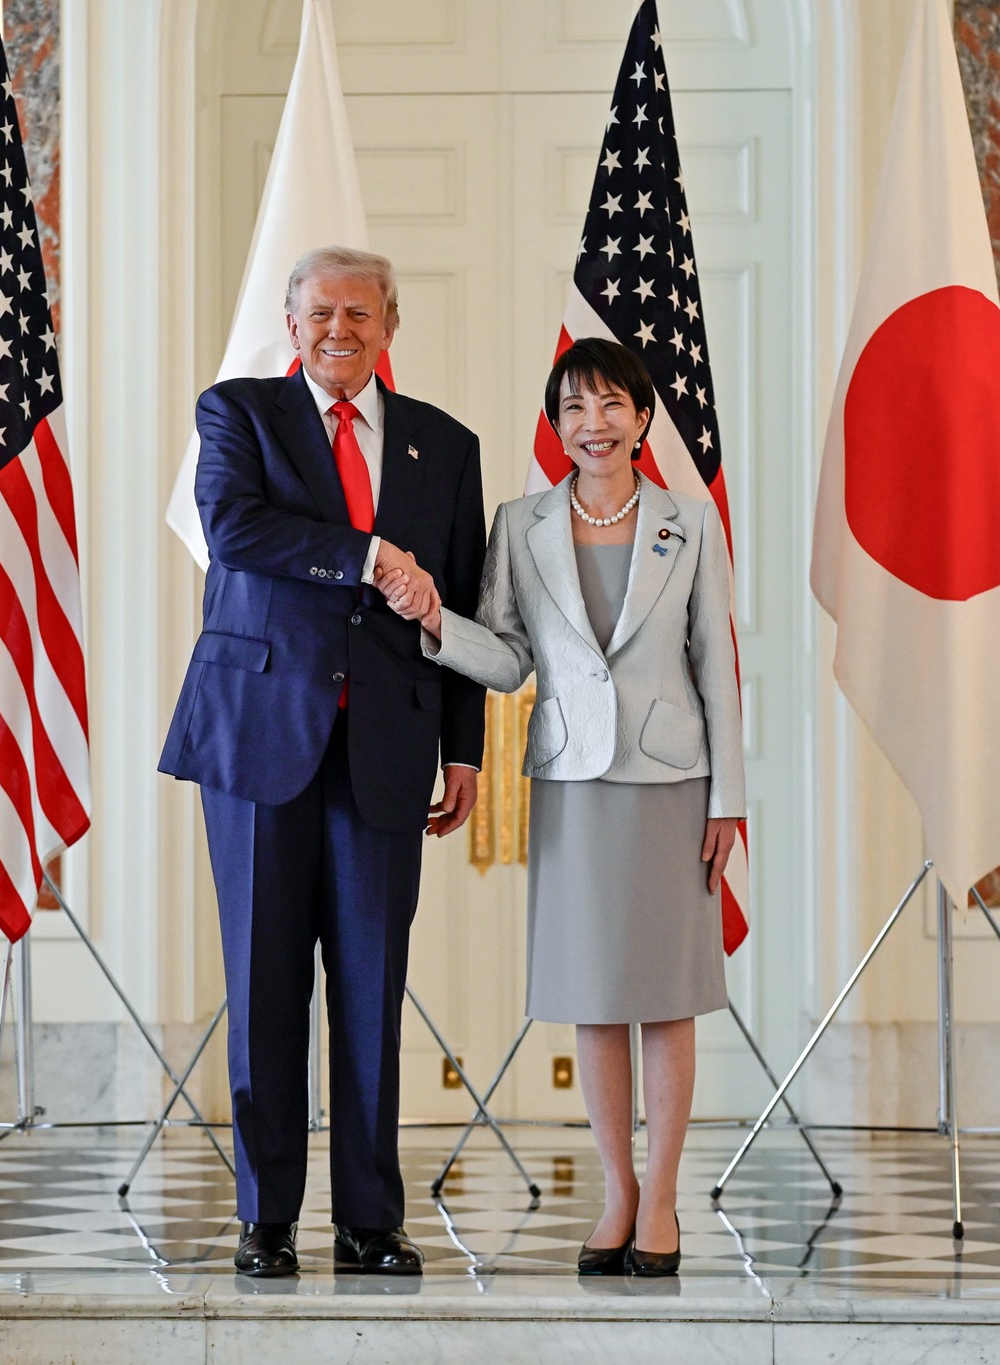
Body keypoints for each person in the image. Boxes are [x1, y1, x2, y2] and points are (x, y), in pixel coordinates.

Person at [381, 337, 743, 1278]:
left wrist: (729, 800)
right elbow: (509, 659)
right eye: (575, 407)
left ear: (642, 417)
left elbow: (717, 665)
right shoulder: (521, 523)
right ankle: (617, 1192)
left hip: (672, 786)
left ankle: (661, 1199)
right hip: (574, 786)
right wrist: (435, 620)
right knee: (594, 995)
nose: (594, 423)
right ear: (556, 423)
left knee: (667, 997)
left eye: (612, 404)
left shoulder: (691, 520)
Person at [159, 246, 487, 1278]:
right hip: (259, 738)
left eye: (359, 313)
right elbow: (233, 528)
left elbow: (459, 602)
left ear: (388, 326)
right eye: (320, 314)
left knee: (371, 989)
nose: (338, 330)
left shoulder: (446, 444)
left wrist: (465, 749)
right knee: (263, 986)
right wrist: (369, 556)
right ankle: (265, 1220)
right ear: (291, 324)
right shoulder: (237, 413)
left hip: (386, 746)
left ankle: (369, 1220)